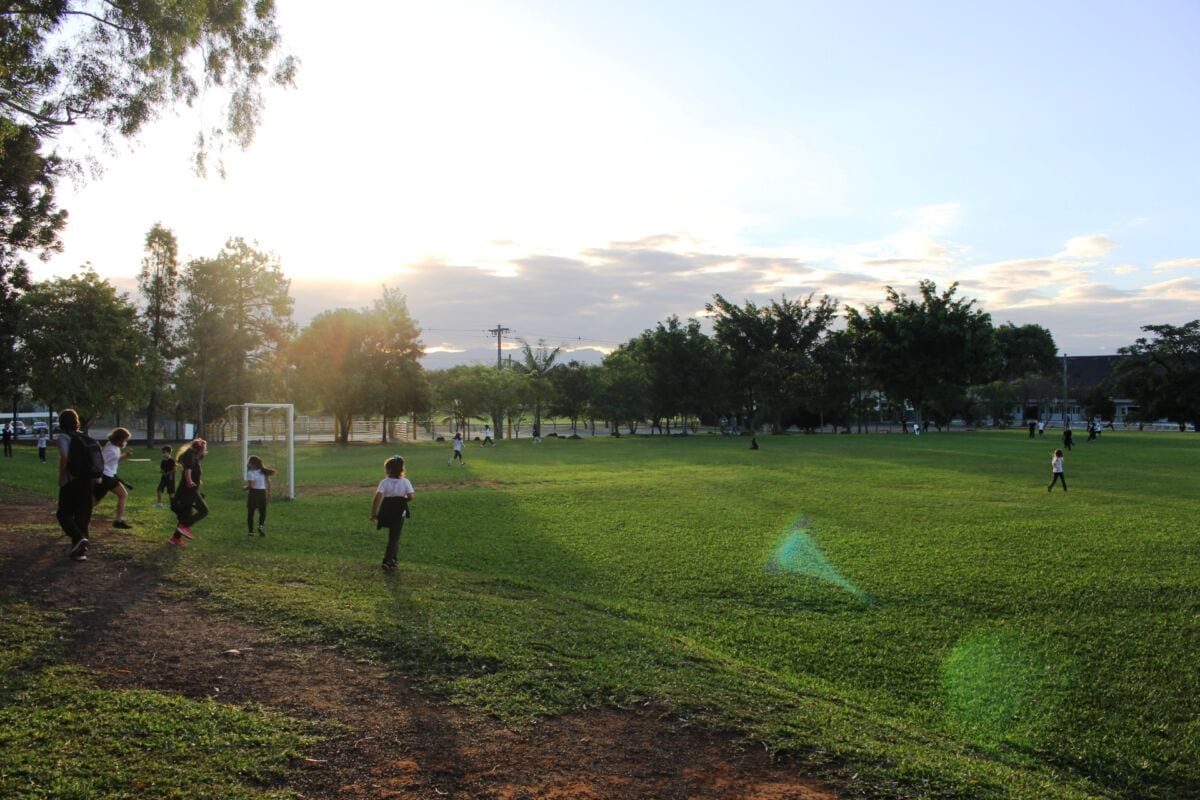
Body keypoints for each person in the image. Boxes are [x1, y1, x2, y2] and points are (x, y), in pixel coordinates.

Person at [55, 409, 94, 561]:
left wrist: (61, 475)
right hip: (88, 481)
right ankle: (80, 551)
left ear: (61, 422)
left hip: (71, 480)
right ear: (76, 421)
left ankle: (78, 538)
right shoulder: (84, 436)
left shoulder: (64, 437)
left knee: (63, 514)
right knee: (82, 515)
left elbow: (65, 456)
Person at [369, 455, 415, 573]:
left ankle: (393, 559)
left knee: (393, 538)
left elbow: (378, 498)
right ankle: (387, 561)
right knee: (394, 537)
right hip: (399, 513)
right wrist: (403, 498)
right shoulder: (405, 482)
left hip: (386, 511)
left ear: (389, 470)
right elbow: (411, 496)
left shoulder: (384, 482)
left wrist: (374, 513)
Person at [170, 438, 208, 546]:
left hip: (189, 491)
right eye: (204, 448)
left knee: (186, 516)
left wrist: (197, 480)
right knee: (204, 511)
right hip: (189, 492)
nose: (205, 450)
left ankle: (175, 538)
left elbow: (192, 470)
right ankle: (183, 527)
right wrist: (190, 481)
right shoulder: (191, 456)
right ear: (200, 448)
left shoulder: (193, 456)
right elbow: (188, 470)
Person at [93, 427, 133, 529]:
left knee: (95, 500)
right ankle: (118, 521)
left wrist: (125, 455)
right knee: (122, 495)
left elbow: (114, 461)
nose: (125, 442)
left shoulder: (113, 446)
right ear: (119, 439)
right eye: (125, 440)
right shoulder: (111, 450)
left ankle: (78, 513)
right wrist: (99, 476)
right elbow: (100, 463)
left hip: (110, 476)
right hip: (105, 477)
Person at [245, 454, 277, 537]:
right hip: (262, 493)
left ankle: (250, 532)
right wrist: (269, 493)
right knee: (262, 512)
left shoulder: (250, 473)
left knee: (250, 513)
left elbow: (250, 486)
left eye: (249, 463)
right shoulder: (263, 472)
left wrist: (245, 488)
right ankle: (261, 526)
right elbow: (269, 482)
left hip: (253, 494)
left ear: (252, 464)